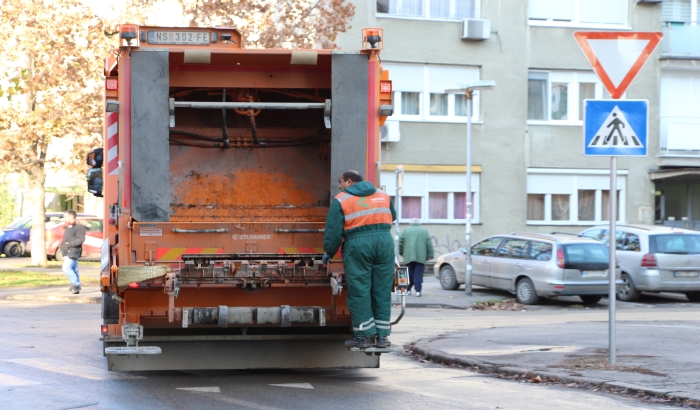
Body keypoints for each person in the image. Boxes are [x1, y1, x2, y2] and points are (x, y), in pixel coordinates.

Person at [322, 170, 396, 349]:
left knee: (360, 289)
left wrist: (329, 253)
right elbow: (392, 216)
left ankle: (362, 336)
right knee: (382, 289)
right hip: (385, 243)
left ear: (349, 181)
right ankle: (382, 337)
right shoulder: (383, 195)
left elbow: (333, 232)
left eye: (340, 182)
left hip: (358, 245)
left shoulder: (341, 199)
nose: (339, 186)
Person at [399, 218, 434, 297]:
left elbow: (399, 243)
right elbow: (429, 244)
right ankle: (418, 291)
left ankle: (408, 290)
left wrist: (401, 252)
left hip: (408, 256)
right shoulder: (424, 231)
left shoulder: (405, 231)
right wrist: (430, 255)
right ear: (419, 224)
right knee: (418, 274)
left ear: (410, 223)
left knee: (408, 273)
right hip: (420, 256)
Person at [60, 210, 86, 294]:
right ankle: (75, 287)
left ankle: (75, 284)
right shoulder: (69, 227)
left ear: (71, 217)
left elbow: (81, 239)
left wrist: (70, 244)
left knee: (66, 267)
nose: (64, 218)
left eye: (66, 216)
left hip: (74, 250)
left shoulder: (79, 227)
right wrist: (63, 247)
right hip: (69, 251)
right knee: (74, 269)